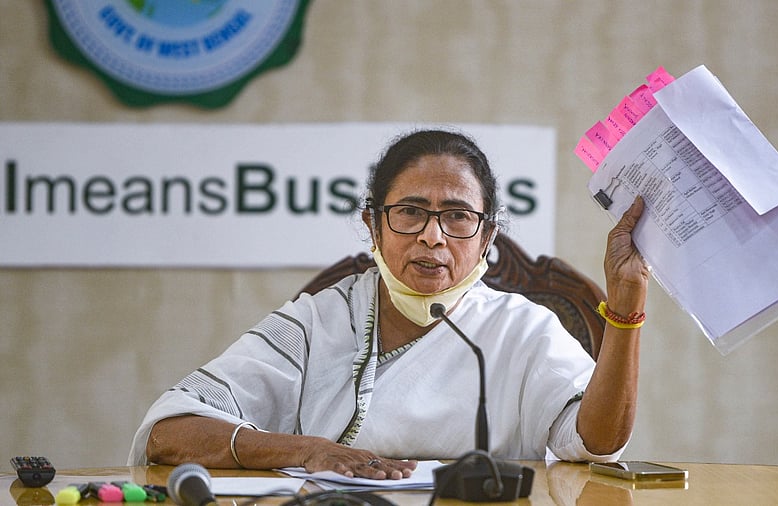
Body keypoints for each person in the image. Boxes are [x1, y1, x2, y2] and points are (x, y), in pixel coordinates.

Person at [128, 129, 648, 480]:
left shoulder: (524, 330)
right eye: (410, 212)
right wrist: (305, 449)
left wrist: (625, 309)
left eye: (457, 216)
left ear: (487, 235)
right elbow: (167, 432)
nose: (432, 236)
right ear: (373, 224)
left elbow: (598, 442)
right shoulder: (317, 322)